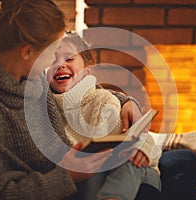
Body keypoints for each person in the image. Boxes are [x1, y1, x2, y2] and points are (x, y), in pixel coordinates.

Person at [0, 1, 140, 199]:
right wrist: (68, 176)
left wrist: (126, 102)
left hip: (82, 174)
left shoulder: (30, 78)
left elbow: (76, 96)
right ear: (28, 52)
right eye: (53, 53)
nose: (55, 62)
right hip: (73, 188)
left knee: (178, 160)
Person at [46, 32, 163, 200]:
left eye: (69, 58)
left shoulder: (104, 101)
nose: (60, 65)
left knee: (116, 164)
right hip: (81, 174)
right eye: (52, 60)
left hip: (124, 166)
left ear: (88, 70)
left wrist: (140, 148)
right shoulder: (41, 107)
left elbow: (125, 142)